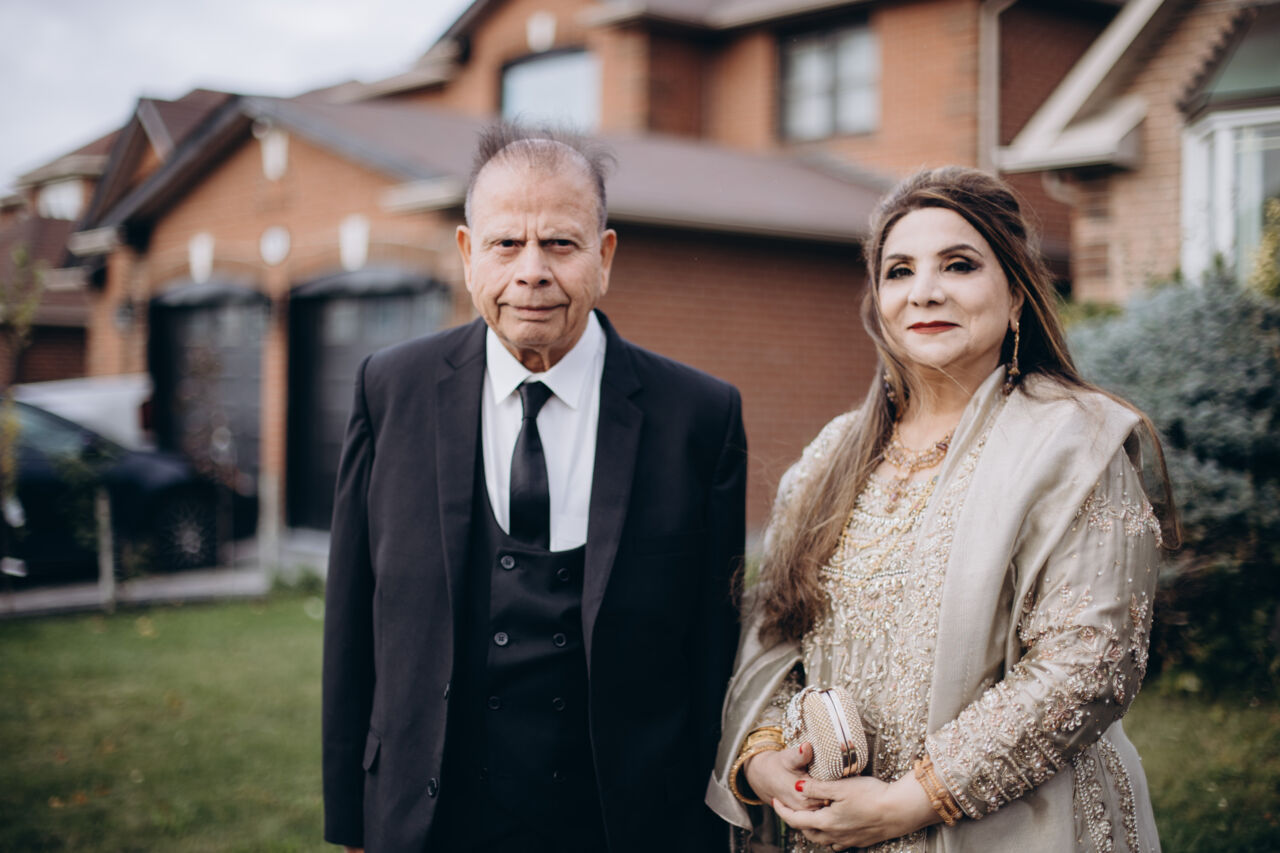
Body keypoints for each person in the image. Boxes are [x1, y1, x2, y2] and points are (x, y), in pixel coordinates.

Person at [706, 166, 1175, 852]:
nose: (924, 291)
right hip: (835, 829)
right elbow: (774, 633)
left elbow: (1087, 663)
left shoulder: (1076, 443)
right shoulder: (832, 454)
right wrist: (765, 757)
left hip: (1018, 825)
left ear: (1016, 293)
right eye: (899, 271)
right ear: (879, 302)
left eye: (958, 265)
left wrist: (910, 801)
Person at [322, 125, 746, 853]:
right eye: (505, 244)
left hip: (628, 824)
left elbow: (716, 648)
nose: (531, 271)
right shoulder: (390, 389)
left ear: (604, 257)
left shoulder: (700, 416)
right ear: (467, 254)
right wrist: (351, 823)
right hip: (430, 822)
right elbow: (351, 619)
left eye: (559, 243)